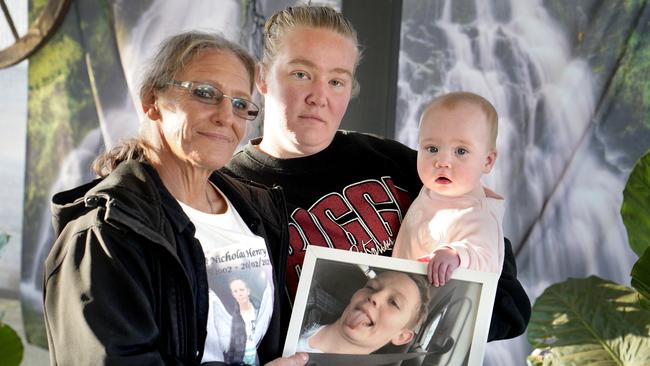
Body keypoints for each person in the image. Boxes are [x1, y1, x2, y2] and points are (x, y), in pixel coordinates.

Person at [223, 5, 530, 341]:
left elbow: (504, 298)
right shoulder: (229, 192)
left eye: (337, 80)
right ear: (263, 77)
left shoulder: (394, 162)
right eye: (301, 74)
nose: (319, 97)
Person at [43, 31, 307, 366]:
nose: (226, 116)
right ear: (153, 102)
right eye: (206, 93)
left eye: (240, 104)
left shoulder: (255, 211)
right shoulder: (106, 233)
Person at [392, 92, 505, 287]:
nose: (442, 162)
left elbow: (486, 259)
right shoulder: (432, 191)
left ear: (487, 161)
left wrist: (456, 255)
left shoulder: (477, 214)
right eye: (432, 149)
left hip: (439, 304)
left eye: (461, 151)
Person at [296, 271, 430, 354]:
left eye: (394, 302)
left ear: (402, 336)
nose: (375, 297)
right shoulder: (305, 295)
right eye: (371, 287)